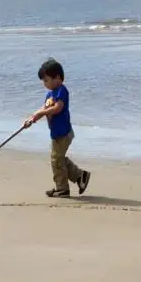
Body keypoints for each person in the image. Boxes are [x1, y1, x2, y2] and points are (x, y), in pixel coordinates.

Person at [23, 57, 91, 198]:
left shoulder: (61, 91)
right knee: (58, 159)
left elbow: (57, 108)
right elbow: (44, 108)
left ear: (57, 78)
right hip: (56, 133)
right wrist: (32, 118)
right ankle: (80, 176)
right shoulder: (50, 94)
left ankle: (62, 189)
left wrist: (41, 112)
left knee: (56, 160)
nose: (45, 84)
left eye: (46, 80)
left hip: (63, 133)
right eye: (43, 81)